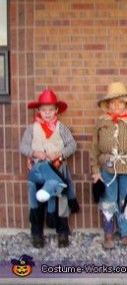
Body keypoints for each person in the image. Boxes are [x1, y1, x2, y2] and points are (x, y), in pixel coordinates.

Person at [20, 89, 79, 248]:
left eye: (50, 110)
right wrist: (34, 152)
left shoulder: (61, 128)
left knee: (61, 201)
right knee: (37, 204)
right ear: (38, 111)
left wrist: (59, 153)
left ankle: (62, 233)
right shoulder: (32, 129)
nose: (47, 113)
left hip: (57, 170)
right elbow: (23, 146)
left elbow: (72, 145)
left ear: (56, 110)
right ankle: (37, 234)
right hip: (38, 171)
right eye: (44, 110)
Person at [91, 82, 127, 249]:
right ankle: (108, 233)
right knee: (108, 199)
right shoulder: (101, 122)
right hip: (107, 167)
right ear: (108, 105)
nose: (116, 105)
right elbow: (94, 147)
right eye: (112, 102)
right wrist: (95, 171)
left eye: (120, 102)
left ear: (126, 103)